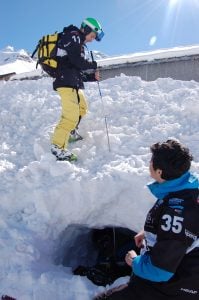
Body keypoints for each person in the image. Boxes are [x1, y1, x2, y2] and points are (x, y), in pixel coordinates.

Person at [94, 139, 199, 299]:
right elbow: (182, 230)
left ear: (159, 172)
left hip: (170, 287)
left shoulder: (176, 212)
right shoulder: (186, 189)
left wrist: (134, 261)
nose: (149, 163)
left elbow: (160, 270)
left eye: (151, 161)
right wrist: (150, 230)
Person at [51, 18, 104, 161]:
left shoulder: (78, 43)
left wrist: (92, 77)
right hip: (65, 82)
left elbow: (76, 69)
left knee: (82, 108)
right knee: (70, 116)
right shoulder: (73, 35)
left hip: (72, 82)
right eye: (92, 36)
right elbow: (76, 61)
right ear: (86, 29)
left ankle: (71, 131)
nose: (92, 40)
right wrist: (92, 65)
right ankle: (57, 148)